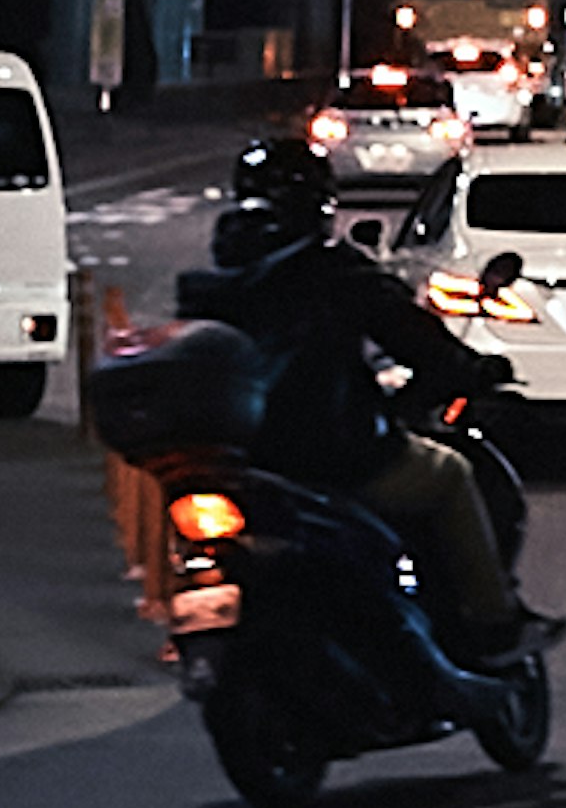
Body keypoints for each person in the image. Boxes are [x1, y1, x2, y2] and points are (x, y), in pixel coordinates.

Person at [199, 134, 534, 668]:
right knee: (451, 474)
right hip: (333, 456)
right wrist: (471, 370)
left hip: (240, 461)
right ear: (320, 203)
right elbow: (415, 337)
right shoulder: (332, 271)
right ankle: (493, 621)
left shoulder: (214, 279)